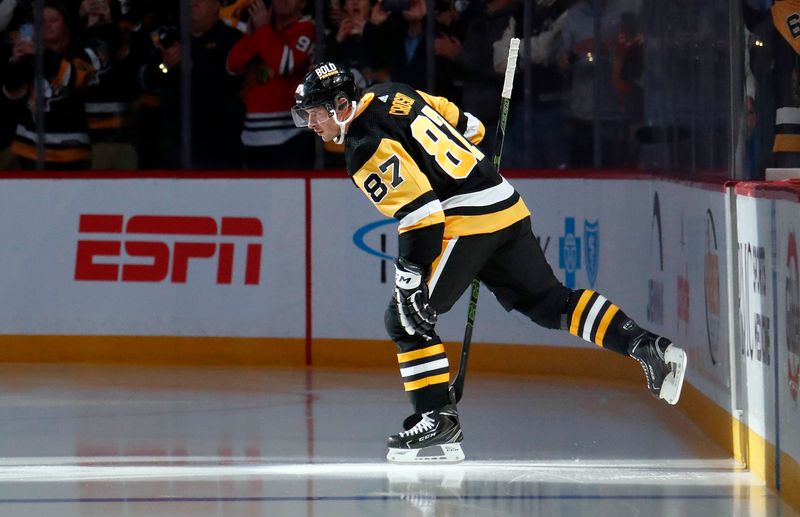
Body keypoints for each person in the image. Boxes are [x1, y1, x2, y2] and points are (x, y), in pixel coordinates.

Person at [291, 62, 688, 463]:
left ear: (342, 105)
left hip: (468, 223)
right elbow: (471, 127)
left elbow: (422, 216)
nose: (310, 123)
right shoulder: (393, 92)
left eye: (316, 112)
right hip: (505, 204)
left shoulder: (362, 146)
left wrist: (409, 277)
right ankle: (646, 345)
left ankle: (437, 419)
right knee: (550, 302)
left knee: (406, 318)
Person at [226, 0, 315, 169]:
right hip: (252, 135)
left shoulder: (307, 29)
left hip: (291, 135)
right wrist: (257, 31)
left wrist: (262, 30)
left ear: (303, 3)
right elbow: (232, 65)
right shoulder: (263, 27)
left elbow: (285, 64)